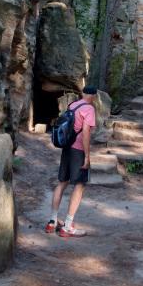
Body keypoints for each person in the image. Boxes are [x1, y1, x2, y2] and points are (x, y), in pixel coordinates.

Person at [45, 85, 97, 238]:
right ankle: (68, 226)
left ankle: (52, 221)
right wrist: (87, 156)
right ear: (94, 96)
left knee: (62, 182)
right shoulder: (89, 109)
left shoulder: (73, 105)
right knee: (79, 185)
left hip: (67, 148)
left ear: (82, 93)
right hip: (78, 150)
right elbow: (86, 131)